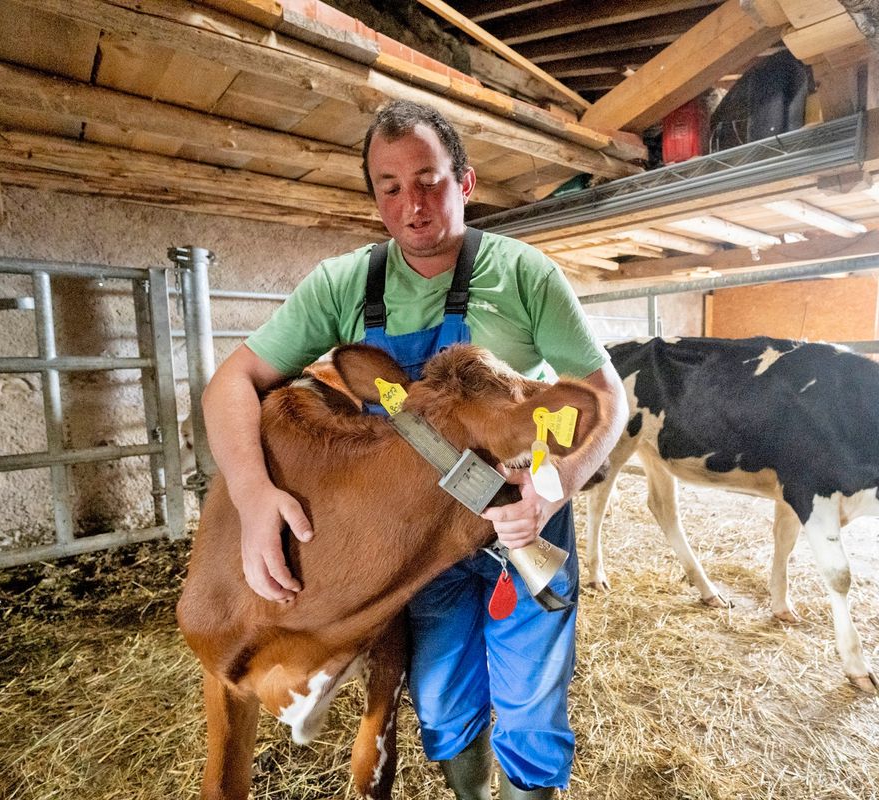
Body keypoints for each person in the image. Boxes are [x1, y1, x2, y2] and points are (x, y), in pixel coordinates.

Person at [201, 99, 625, 800]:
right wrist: (252, 496)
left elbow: (606, 396)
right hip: (416, 543)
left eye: (428, 179)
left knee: (530, 708)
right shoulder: (344, 285)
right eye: (389, 186)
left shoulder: (524, 275)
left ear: (466, 183)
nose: (412, 205)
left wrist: (555, 487)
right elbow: (231, 382)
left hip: (517, 520)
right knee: (442, 702)